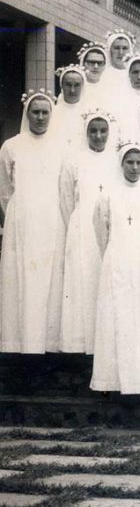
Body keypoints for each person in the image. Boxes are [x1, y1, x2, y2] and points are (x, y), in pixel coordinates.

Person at [0, 91, 63, 353]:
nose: (40, 117)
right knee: (21, 279)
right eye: (35, 112)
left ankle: (48, 343)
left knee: (49, 280)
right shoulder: (11, 146)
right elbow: (5, 190)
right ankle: (19, 343)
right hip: (22, 222)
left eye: (45, 112)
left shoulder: (62, 145)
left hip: (52, 221)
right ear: (27, 114)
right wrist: (18, 215)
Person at [90, 141, 140, 394]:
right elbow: (101, 231)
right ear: (121, 164)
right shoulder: (108, 195)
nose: (135, 168)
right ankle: (111, 381)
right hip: (116, 263)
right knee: (115, 318)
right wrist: (114, 255)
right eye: (130, 162)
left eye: (139, 163)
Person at [55, 109, 118, 354]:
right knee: (83, 282)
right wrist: (77, 223)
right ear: (86, 132)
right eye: (93, 131)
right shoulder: (74, 161)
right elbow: (66, 199)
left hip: (108, 227)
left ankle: (105, 342)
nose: (98, 136)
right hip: (81, 228)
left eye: (103, 131)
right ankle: (80, 343)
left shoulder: (116, 158)